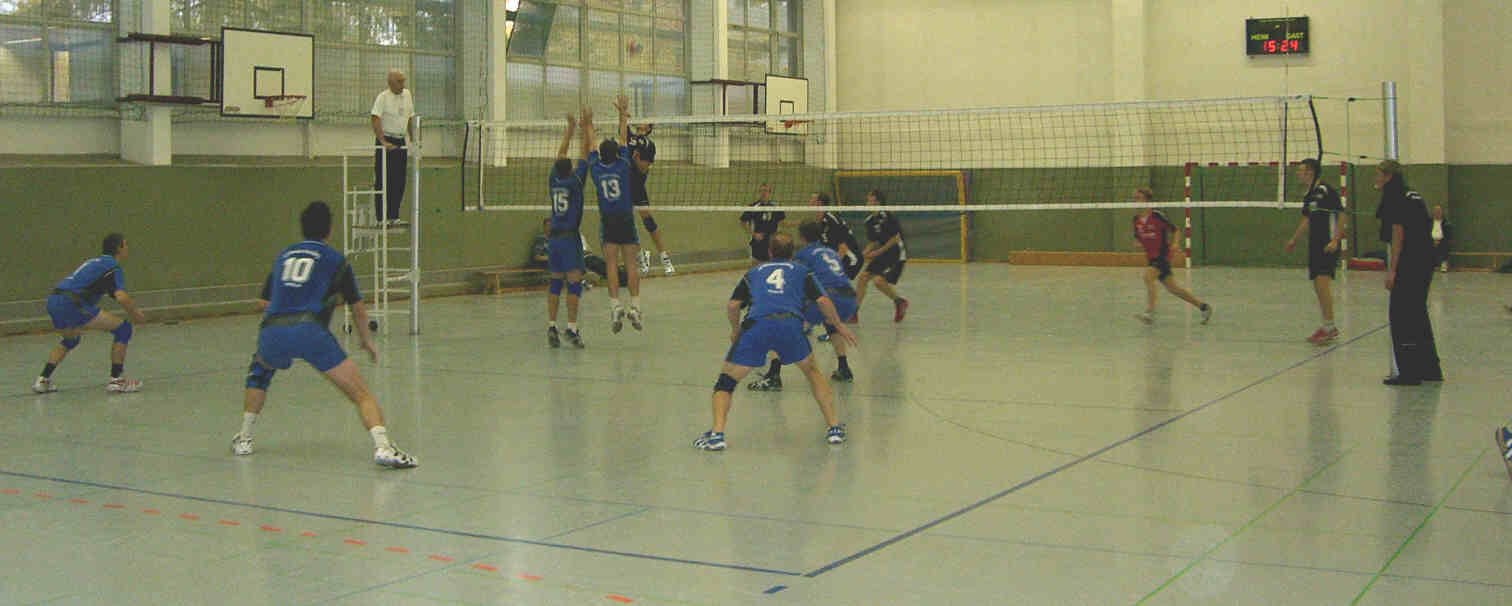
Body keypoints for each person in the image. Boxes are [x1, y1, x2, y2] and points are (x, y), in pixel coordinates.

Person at [231, 201, 417, 468]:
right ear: (329, 230)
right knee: (360, 394)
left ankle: (244, 438)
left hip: (273, 330)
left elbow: (262, 303)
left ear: (302, 228)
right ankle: (383, 447)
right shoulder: (336, 261)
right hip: (310, 331)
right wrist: (366, 340)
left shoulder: (283, 256)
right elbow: (357, 308)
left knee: (259, 374)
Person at [692, 234, 858, 451]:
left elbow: (733, 305)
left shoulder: (753, 273)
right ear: (792, 253)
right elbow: (823, 300)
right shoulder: (802, 271)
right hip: (790, 325)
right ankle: (834, 428)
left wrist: (735, 330)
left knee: (726, 382)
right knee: (813, 372)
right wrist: (839, 325)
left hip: (757, 326)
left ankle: (717, 435)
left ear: (770, 252)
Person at [32, 233, 147, 394]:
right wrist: (136, 314)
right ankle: (117, 381)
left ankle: (43, 380)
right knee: (124, 329)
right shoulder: (112, 266)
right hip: (72, 303)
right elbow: (121, 297)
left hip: (54, 300)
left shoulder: (95, 262)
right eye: (126, 245)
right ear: (119, 248)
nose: (128, 248)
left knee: (71, 340)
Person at [1374, 160, 1442, 386]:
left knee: (1402, 315)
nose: (1375, 179)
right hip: (1425, 259)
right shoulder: (1412, 194)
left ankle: (1410, 372)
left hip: (1410, 261)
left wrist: (1392, 270)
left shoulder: (1395, 197)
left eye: (1378, 174)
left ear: (1388, 177)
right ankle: (1430, 370)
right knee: (1418, 313)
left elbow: (1398, 234)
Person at [582, 106, 644, 334]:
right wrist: (622, 114)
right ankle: (635, 307)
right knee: (631, 264)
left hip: (607, 220)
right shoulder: (623, 164)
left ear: (601, 155)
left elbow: (591, 145)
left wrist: (588, 122)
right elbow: (623, 137)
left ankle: (615, 306)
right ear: (617, 153)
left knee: (610, 264)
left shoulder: (595, 168)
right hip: (625, 219)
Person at [1284, 158, 1346, 344]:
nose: (1298, 173)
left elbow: (1341, 214)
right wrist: (1294, 239)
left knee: (1322, 283)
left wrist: (1335, 240)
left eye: (1301, 170)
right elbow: (1307, 219)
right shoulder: (1309, 194)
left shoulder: (1325, 190)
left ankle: (1329, 327)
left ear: (1310, 171)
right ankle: (1328, 325)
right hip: (1315, 244)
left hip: (1328, 244)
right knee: (1318, 285)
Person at [614, 94, 676, 277]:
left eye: (645, 121)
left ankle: (665, 258)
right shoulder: (630, 138)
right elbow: (622, 131)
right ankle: (642, 256)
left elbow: (643, 168)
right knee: (627, 225)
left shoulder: (649, 145)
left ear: (648, 128)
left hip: (637, 186)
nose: (641, 121)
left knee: (649, 222)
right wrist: (622, 112)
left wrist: (635, 160)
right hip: (623, 186)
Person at [1131, 189, 1213, 325]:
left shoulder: (1157, 216)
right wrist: (1138, 243)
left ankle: (1149, 313)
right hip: (1151, 258)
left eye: (1138, 198)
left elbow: (1175, 231)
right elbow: (1137, 238)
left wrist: (1175, 244)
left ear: (1147, 200)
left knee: (1148, 277)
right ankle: (1203, 307)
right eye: (1134, 198)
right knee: (1173, 288)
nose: (1135, 201)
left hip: (1162, 255)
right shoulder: (1136, 220)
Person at [546, 112, 589, 349]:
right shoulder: (576, 181)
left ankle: (551, 326)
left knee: (555, 283)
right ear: (570, 169)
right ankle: (571, 329)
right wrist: (584, 127)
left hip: (553, 240)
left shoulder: (554, 179)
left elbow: (561, 154)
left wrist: (570, 128)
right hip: (569, 239)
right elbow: (584, 154)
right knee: (574, 283)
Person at [796, 221, 860, 382]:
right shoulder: (830, 251)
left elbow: (797, 279)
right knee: (831, 323)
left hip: (830, 297)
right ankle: (844, 367)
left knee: (785, 323)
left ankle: (774, 373)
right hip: (850, 298)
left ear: (802, 237)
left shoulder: (803, 253)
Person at [853, 190, 910, 323]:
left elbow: (895, 238)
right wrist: (863, 254)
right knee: (863, 277)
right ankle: (853, 312)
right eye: (868, 200)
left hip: (896, 253)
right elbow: (873, 242)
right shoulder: (869, 221)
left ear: (878, 202)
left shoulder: (888, 216)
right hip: (884, 253)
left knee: (878, 281)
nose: (867, 203)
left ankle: (899, 302)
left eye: (871, 201)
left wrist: (877, 253)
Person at [369, 69, 415, 225]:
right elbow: (375, 118)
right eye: (399, 81)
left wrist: (413, 140)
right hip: (386, 142)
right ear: (390, 83)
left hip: (401, 141)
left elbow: (410, 118)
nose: (402, 84)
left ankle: (394, 216)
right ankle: (381, 218)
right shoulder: (383, 97)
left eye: (403, 81)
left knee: (399, 181)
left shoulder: (407, 95)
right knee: (383, 180)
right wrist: (382, 141)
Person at [811, 192, 863, 279]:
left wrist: (831, 266)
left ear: (819, 203)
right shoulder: (820, 222)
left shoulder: (831, 220)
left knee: (834, 282)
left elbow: (843, 248)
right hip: (841, 258)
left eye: (813, 199)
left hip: (851, 258)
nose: (810, 201)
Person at [740, 184, 785, 266]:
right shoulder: (753, 207)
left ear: (770, 193)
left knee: (772, 265)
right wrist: (754, 234)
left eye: (766, 191)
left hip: (772, 242)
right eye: (761, 191)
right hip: (758, 242)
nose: (763, 193)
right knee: (757, 266)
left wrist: (800, 223)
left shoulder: (775, 207)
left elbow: (783, 223)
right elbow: (742, 222)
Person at [1430, 204, 1453, 272]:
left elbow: (1448, 236)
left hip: (1442, 241)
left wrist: (1439, 241)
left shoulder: (1446, 223)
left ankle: (1444, 264)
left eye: (1439, 211)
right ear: (1433, 212)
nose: (1437, 213)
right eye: (1436, 211)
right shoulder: (1429, 222)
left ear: (1442, 212)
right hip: (1430, 241)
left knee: (1445, 244)